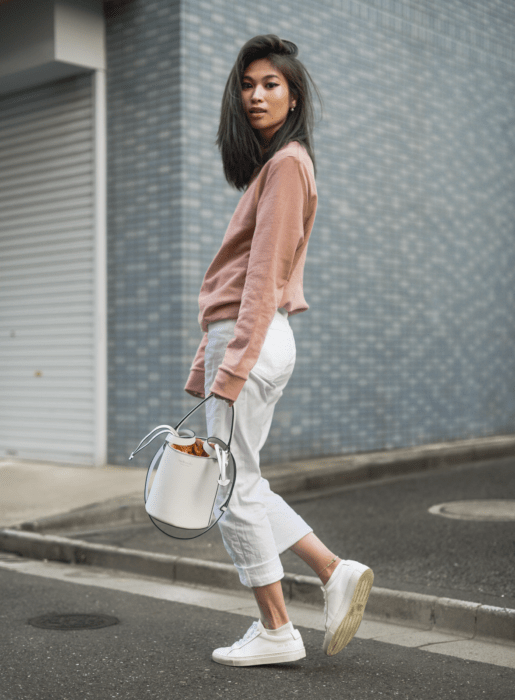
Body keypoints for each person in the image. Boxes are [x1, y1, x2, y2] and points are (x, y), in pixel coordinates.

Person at [184, 34, 373, 667]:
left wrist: (230, 362)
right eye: (247, 84)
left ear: (293, 98)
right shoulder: (276, 167)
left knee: (228, 489)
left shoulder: (288, 164)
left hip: (252, 337)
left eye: (271, 84)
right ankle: (332, 570)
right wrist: (206, 360)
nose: (256, 94)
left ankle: (275, 629)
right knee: (248, 480)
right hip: (246, 336)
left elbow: (261, 279)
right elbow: (242, 281)